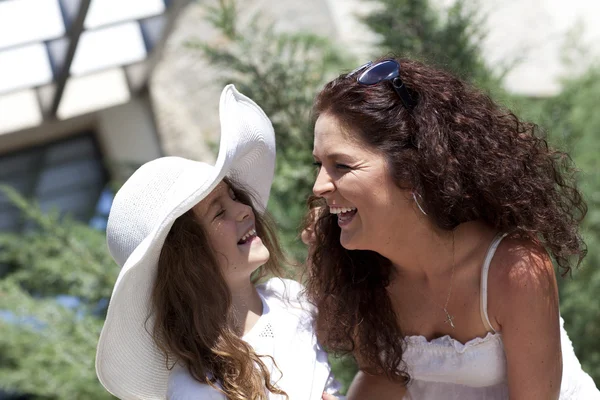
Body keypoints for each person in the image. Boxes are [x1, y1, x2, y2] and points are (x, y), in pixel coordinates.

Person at [305, 57, 600, 399]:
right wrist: (319, 260)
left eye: (340, 165)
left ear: (410, 170)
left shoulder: (515, 268)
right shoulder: (370, 268)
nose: (319, 186)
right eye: (319, 165)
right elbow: (383, 375)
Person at [95, 85, 341, 400]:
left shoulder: (287, 297)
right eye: (219, 212)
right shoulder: (197, 386)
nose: (243, 209)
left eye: (235, 197)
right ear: (190, 261)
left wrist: (329, 251)